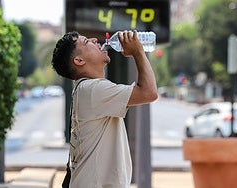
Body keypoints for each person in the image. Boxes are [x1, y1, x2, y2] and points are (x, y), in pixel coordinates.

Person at [51, 30, 158, 188]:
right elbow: (149, 92)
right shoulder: (93, 89)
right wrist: (138, 52)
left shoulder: (88, 89)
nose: (95, 39)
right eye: (87, 42)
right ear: (79, 60)